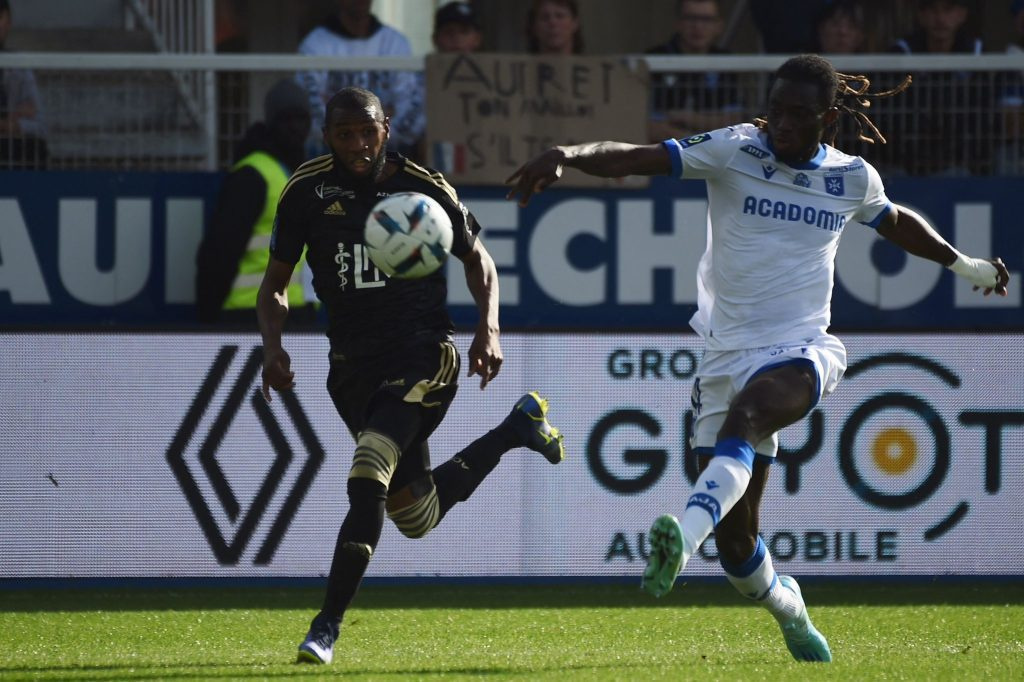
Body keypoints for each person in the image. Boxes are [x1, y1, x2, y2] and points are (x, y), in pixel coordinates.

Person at [506, 54, 1009, 663]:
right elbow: (636, 158)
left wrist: (966, 266)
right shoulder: (734, 149)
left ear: (825, 118)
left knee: (748, 418)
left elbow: (896, 222)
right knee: (739, 549)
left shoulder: (851, 177)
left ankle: (679, 541)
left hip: (803, 347)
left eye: (798, 115)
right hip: (725, 354)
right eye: (776, 109)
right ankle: (789, 610)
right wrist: (566, 154)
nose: (782, 125)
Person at [258, 86, 565, 665]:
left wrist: (489, 329)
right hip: (351, 367)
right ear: (328, 135)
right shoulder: (305, 192)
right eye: (344, 134)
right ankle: (515, 429)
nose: (356, 145)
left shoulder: (424, 189)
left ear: (386, 128)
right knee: (415, 516)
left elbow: (479, 260)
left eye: (366, 132)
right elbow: (274, 285)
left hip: (423, 354)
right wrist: (271, 346)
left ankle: (325, 626)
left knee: (370, 463)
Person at [195, 79, 316, 326]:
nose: (295, 128)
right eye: (286, 119)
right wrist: (207, 319)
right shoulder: (252, 175)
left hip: (296, 314)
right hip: (250, 314)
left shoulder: (298, 174)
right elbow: (219, 252)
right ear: (271, 123)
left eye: (301, 119)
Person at [296, 0, 424, 160]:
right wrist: (377, 117)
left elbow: (408, 106)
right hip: (330, 157)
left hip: (388, 155)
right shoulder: (315, 44)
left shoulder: (395, 43)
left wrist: (380, 137)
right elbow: (313, 111)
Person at [884, 0, 988, 175]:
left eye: (948, 10)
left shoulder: (976, 51)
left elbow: (982, 114)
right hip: (906, 159)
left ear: (962, 14)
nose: (940, 19)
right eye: (933, 11)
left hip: (959, 160)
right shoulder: (900, 52)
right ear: (921, 16)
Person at [645, 0, 743, 143]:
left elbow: (734, 120)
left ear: (719, 26)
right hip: (664, 154)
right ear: (678, 23)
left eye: (706, 19)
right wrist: (696, 140)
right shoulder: (654, 60)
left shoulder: (726, 62)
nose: (698, 26)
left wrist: (687, 118)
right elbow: (646, 124)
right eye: (690, 18)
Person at [0, 0, 47, 170]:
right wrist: (13, 117)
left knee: (35, 148)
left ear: (8, 23)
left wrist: (9, 124)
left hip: (9, 148)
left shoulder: (19, 67)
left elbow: (39, 126)